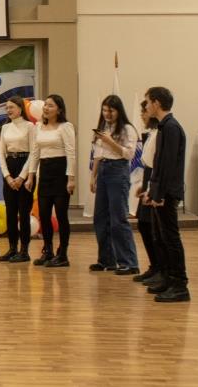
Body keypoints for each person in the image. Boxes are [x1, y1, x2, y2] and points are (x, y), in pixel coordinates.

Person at [142, 86, 190, 303]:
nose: (146, 106)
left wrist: (159, 194)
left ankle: (180, 285)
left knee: (171, 238)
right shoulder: (165, 126)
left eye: (148, 102)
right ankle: (169, 279)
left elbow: (168, 164)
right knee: (162, 237)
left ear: (157, 103)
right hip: (162, 190)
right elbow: (158, 164)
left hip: (168, 192)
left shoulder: (171, 127)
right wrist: (152, 191)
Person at [89, 95, 140, 274]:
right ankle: (106, 260)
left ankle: (129, 263)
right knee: (100, 218)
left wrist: (111, 141)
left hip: (118, 170)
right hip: (103, 169)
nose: (107, 114)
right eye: (104, 110)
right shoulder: (103, 127)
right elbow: (98, 153)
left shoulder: (127, 129)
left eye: (110, 110)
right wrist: (93, 176)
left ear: (119, 111)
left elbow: (129, 154)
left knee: (118, 218)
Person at [25, 94, 75, 268]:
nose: (46, 108)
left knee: (61, 215)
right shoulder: (39, 126)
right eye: (45, 105)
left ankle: (63, 254)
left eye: (50, 105)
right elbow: (35, 153)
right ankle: (48, 250)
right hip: (45, 172)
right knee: (44, 215)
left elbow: (71, 153)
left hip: (61, 172)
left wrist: (71, 178)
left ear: (59, 110)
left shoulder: (66, 127)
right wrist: (31, 176)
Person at [0, 97, 35, 262]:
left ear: (20, 108)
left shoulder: (30, 126)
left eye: (11, 107)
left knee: (23, 212)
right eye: (7, 108)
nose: (8, 110)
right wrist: (7, 176)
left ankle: (24, 250)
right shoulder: (5, 127)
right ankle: (12, 248)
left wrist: (21, 177)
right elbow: (1, 153)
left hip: (24, 166)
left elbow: (33, 152)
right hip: (9, 168)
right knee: (10, 212)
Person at [132, 101, 161, 285]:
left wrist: (150, 189)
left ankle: (160, 268)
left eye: (144, 111)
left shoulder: (160, 133)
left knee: (152, 227)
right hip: (148, 180)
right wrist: (143, 186)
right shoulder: (151, 133)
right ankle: (154, 265)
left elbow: (158, 164)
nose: (142, 115)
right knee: (143, 224)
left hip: (154, 183)